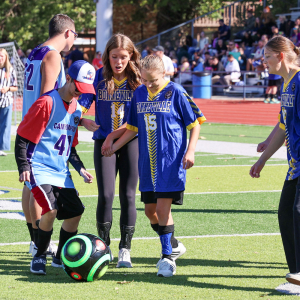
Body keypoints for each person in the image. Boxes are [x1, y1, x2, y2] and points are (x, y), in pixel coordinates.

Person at [102, 55, 206, 277]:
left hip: (170, 162)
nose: (148, 85)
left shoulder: (176, 92)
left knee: (162, 209)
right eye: (145, 80)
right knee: (150, 212)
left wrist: (191, 150)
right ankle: (174, 243)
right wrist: (113, 143)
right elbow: (132, 128)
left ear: (165, 74)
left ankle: (167, 259)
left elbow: (195, 125)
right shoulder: (139, 93)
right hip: (147, 164)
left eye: (154, 81)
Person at [22, 14, 99, 260]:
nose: (73, 42)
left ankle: (34, 240)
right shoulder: (53, 55)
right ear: (68, 33)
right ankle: (38, 242)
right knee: (38, 187)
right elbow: (48, 96)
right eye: (75, 36)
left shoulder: (35, 52)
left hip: (29, 120)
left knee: (29, 186)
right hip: (42, 128)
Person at [15, 60, 96, 275]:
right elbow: (22, 136)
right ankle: (40, 255)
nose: (80, 93)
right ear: (68, 78)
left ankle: (60, 257)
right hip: (39, 167)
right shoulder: (47, 102)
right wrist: (23, 164)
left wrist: (81, 169)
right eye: (78, 87)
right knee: (50, 210)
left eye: (85, 90)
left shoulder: (77, 109)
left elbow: (70, 147)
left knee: (76, 212)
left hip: (61, 171)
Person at [78, 33, 141, 268]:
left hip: (129, 141)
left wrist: (115, 141)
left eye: (123, 57)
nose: (118, 61)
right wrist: (82, 120)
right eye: (114, 56)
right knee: (105, 196)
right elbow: (82, 104)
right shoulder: (99, 79)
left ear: (131, 56)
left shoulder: (138, 82)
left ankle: (125, 248)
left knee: (128, 196)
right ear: (107, 56)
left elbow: (137, 120)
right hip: (103, 144)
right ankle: (104, 247)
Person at [249, 36, 300, 286]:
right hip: (295, 164)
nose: (263, 61)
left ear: (280, 56)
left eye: (267, 56)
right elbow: (282, 126)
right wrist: (263, 159)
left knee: (297, 212)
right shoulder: (286, 84)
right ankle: (296, 276)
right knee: (286, 214)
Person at [0, 49, 18, 157]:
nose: (0, 58)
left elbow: (15, 87)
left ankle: (2, 147)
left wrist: (7, 88)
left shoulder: (10, 70)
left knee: (5, 125)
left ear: (6, 57)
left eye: (2, 56)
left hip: (6, 101)